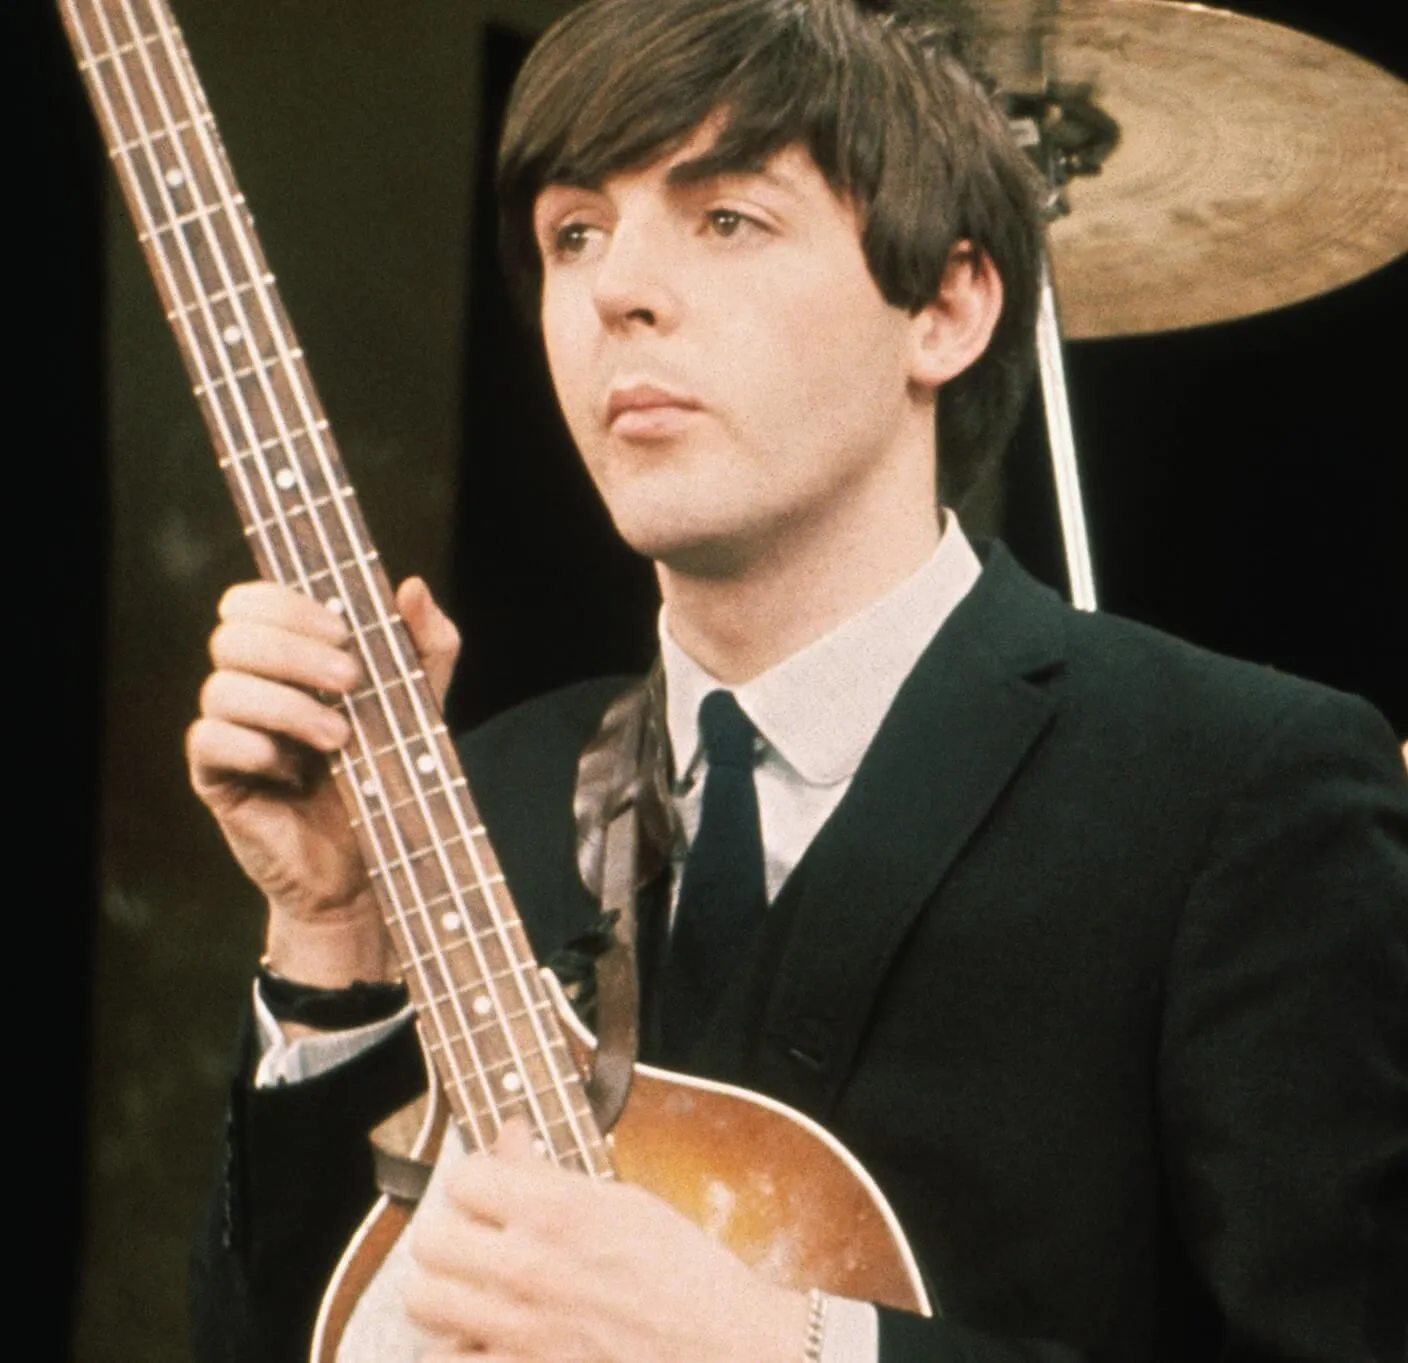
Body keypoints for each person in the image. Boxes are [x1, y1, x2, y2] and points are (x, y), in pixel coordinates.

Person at [187, 1, 1408, 1360]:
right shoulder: (482, 797)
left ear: (945, 307)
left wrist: (785, 1346)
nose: (614, 291)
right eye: (574, 233)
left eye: (726, 220)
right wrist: (331, 946)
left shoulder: (1239, 784)